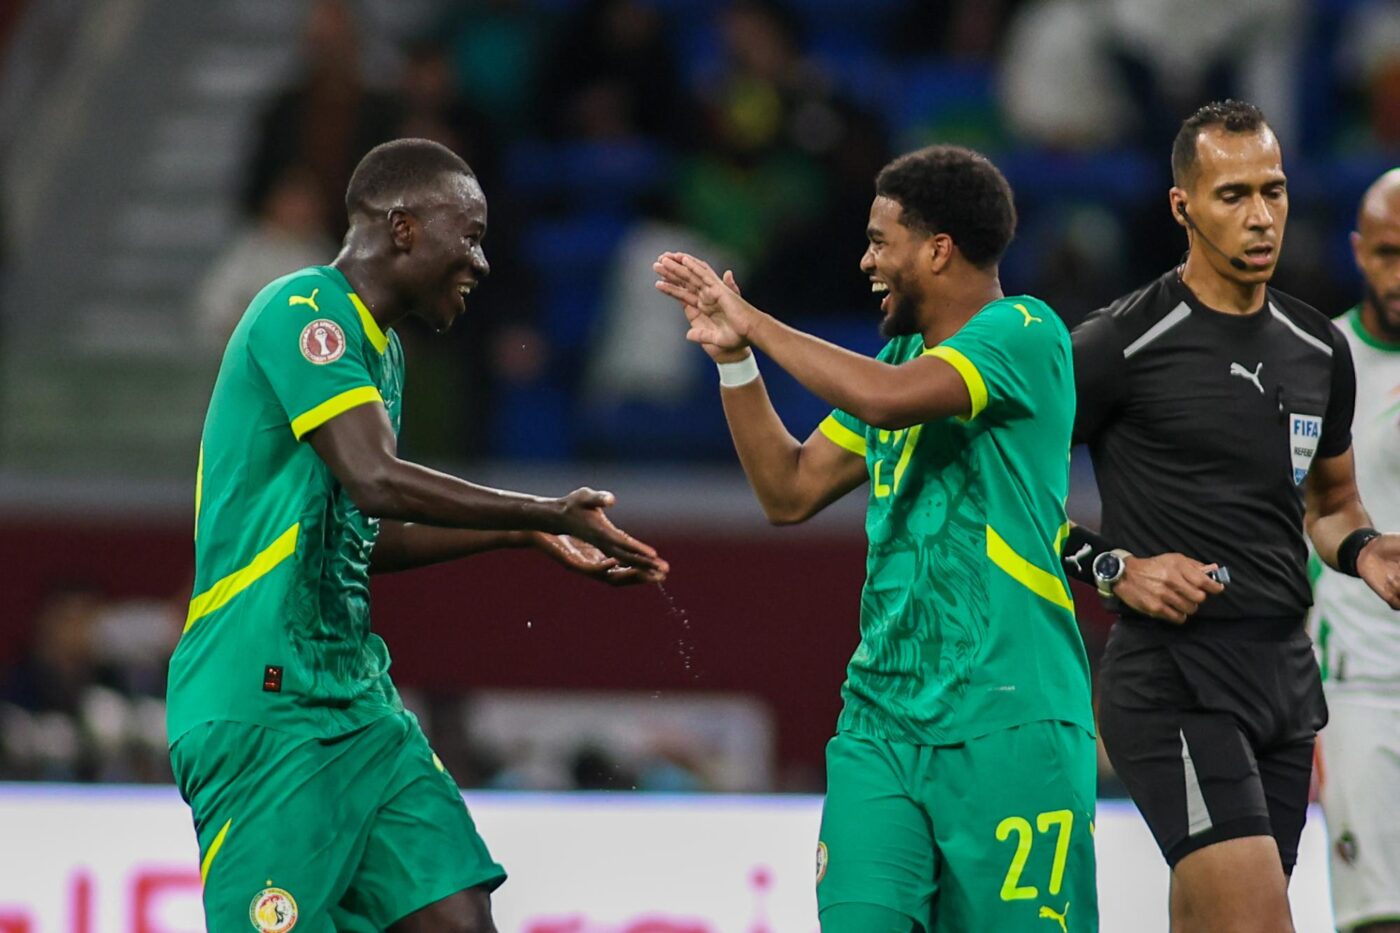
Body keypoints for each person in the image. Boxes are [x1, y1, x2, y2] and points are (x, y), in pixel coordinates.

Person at [167, 138, 667, 933]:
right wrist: (541, 510)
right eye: (469, 234)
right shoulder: (305, 311)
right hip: (262, 697)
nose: (480, 261)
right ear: (403, 228)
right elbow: (374, 478)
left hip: (356, 701)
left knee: (458, 916)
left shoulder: (385, 354)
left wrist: (521, 533)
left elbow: (363, 534)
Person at [655, 145, 1097, 932]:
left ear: (938, 249)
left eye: (879, 241)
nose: (865, 261)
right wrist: (735, 361)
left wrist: (756, 321)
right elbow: (789, 489)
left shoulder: (1025, 332)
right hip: (881, 723)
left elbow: (890, 400)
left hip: (1009, 722)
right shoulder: (898, 357)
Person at [1062, 101, 1400, 932]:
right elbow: (1000, 486)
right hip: (1175, 678)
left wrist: (1363, 548)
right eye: (1233, 195)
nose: (1260, 216)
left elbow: (1330, 502)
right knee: (1257, 921)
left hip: (1284, 681)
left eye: (1273, 191)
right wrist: (1114, 567)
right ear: (1182, 206)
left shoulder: (1319, 349)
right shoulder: (1119, 343)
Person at [1310, 168, 1400, 933]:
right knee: (1377, 917)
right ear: (1358, 251)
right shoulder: (1318, 362)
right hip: (1359, 682)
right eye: (1389, 253)